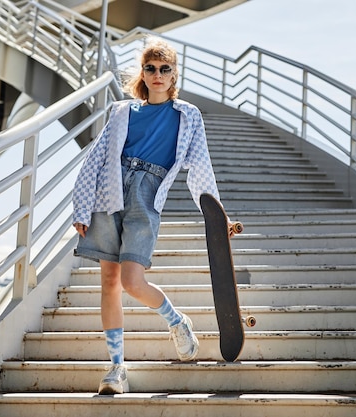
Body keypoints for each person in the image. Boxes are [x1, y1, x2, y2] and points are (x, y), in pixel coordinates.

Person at [71, 37, 232, 395]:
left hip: (147, 195)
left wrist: (216, 214)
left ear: (174, 74)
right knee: (110, 283)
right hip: (109, 194)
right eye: (150, 68)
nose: (157, 75)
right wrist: (80, 208)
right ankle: (116, 368)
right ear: (142, 74)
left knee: (132, 281)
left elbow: (199, 166)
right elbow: (95, 160)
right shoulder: (122, 111)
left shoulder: (188, 116)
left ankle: (177, 322)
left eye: (165, 69)